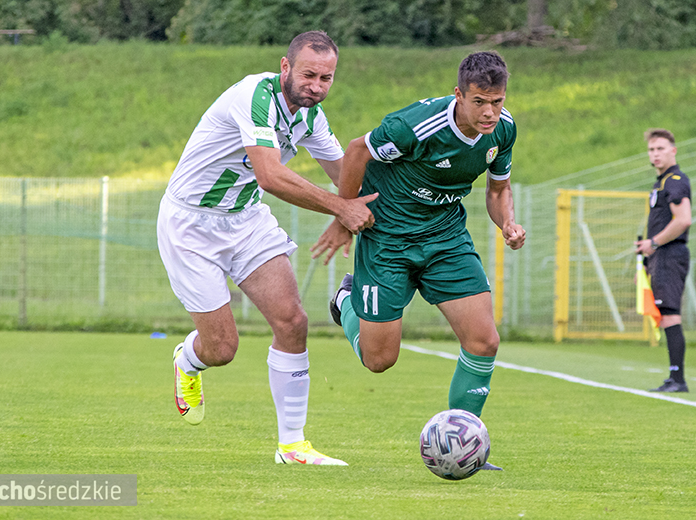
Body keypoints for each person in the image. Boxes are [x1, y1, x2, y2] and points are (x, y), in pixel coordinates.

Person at [157, 31, 378, 465]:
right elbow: (270, 176)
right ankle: (188, 361)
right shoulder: (253, 95)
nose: (316, 85)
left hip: (245, 219)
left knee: (293, 321)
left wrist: (404, 209)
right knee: (221, 349)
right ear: (285, 67)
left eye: (327, 78)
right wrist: (341, 210)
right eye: (309, 74)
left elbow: (346, 179)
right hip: (190, 224)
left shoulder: (311, 118)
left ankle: (291, 445)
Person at [313, 51, 525, 431]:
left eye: (497, 102)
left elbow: (498, 190)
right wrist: (344, 213)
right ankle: (346, 301)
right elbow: (357, 150)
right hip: (388, 239)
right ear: (458, 95)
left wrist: (507, 222)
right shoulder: (416, 126)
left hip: (446, 239)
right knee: (378, 360)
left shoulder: (503, 130)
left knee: (483, 341)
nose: (490, 113)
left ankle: (463, 439)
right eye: (479, 102)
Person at [635, 129, 692, 393]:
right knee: (665, 315)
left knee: (670, 316)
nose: (655, 154)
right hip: (660, 257)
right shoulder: (661, 182)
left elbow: (683, 220)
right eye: (651, 149)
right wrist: (646, 263)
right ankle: (673, 378)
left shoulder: (675, 181)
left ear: (673, 150)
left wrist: (654, 243)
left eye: (660, 149)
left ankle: (678, 379)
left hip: (670, 254)